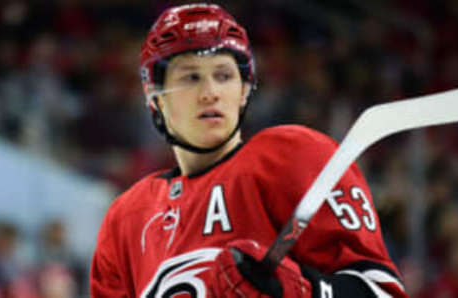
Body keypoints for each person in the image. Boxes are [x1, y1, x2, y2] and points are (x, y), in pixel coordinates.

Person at [90, 3, 408, 297]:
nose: (210, 93)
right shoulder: (127, 220)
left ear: (244, 91)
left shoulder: (294, 157)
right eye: (190, 77)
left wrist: (303, 290)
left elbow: (382, 292)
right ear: (156, 98)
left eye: (224, 75)